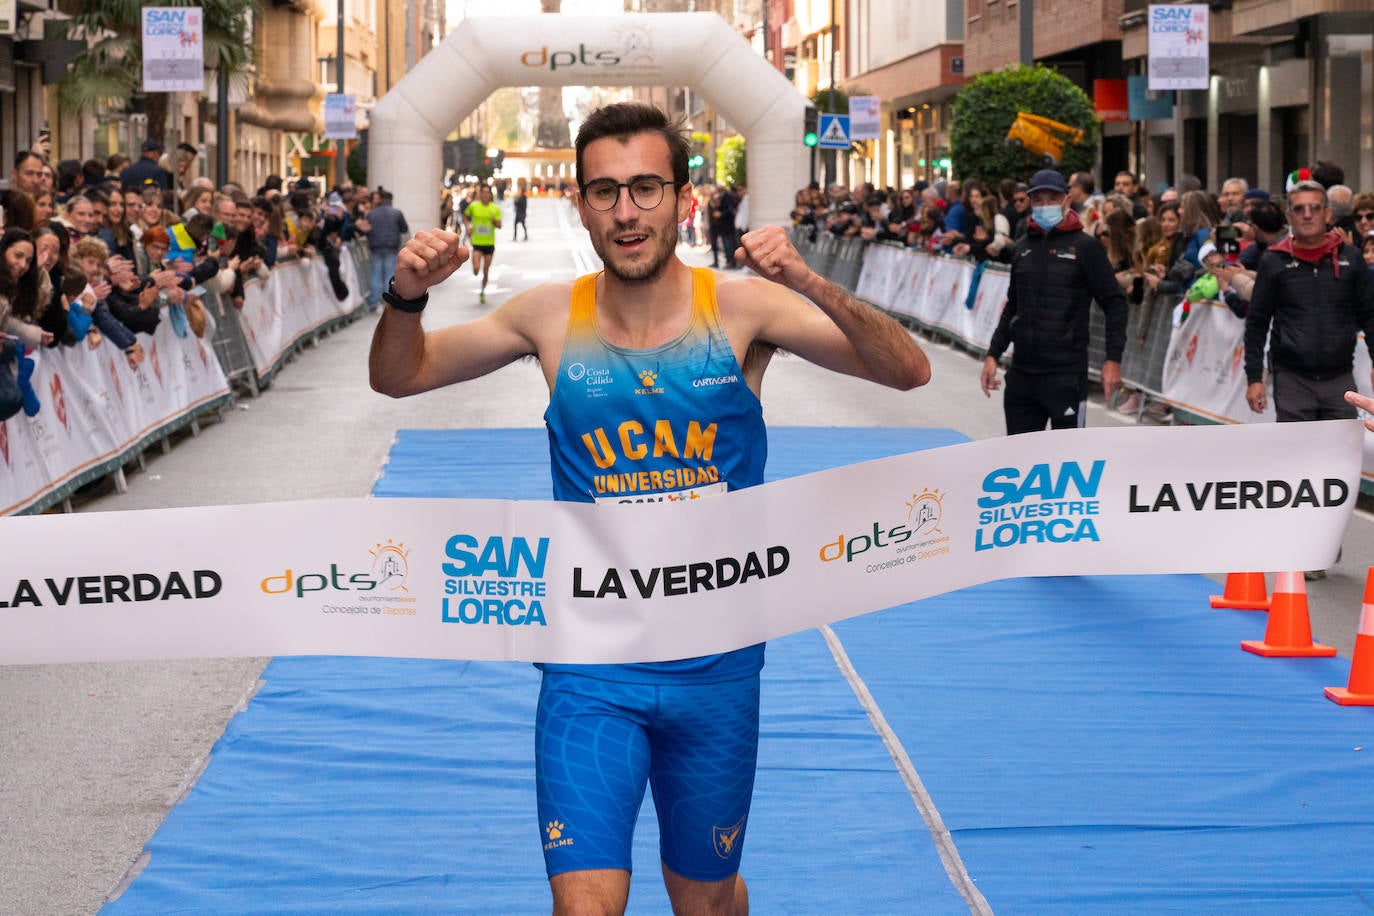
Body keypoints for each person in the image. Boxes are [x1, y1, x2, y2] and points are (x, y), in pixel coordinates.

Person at [368, 101, 931, 916]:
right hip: (591, 663)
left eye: (644, 189)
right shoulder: (547, 315)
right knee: (584, 905)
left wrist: (806, 279)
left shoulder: (741, 310)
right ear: (580, 203)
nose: (626, 213)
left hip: (719, 664)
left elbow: (906, 371)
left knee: (703, 900)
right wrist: (406, 296)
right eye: (605, 192)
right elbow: (401, 377)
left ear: (682, 197)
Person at [979, 168, 1127, 434]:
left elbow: (1115, 303)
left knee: (1068, 465)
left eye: (1053, 198)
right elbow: (1013, 306)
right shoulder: (1022, 247)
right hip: (1022, 374)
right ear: (1031, 202)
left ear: (1067, 200)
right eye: (1039, 200)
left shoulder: (1086, 247)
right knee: (1021, 464)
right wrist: (993, 354)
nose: (1045, 205)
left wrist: (1112, 360)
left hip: (1066, 375)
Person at [1244, 179, 1374, 423]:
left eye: (1314, 208)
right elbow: (1257, 322)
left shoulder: (1351, 258)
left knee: (1341, 457)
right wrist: (1254, 379)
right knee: (1295, 457)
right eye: (1299, 209)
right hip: (1292, 379)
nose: (1307, 215)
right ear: (1289, 216)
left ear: (1327, 214)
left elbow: (1369, 314)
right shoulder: (1274, 261)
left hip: (1340, 378)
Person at [360, 188, 409, 310]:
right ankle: (388, 303)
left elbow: (367, 230)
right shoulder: (397, 213)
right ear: (391, 200)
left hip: (375, 246)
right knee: (389, 274)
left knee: (375, 275)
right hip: (391, 246)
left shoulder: (372, 213)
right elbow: (404, 229)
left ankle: (373, 303)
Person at [462, 183, 502, 304]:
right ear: (480, 194)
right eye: (483, 192)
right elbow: (464, 216)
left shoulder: (495, 208)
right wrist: (468, 227)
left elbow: (500, 225)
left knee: (485, 270)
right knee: (476, 269)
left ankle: (482, 291)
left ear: (490, 195)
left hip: (489, 243)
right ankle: (474, 265)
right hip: (477, 243)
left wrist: (494, 221)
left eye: (487, 192)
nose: (485, 194)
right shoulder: (474, 206)